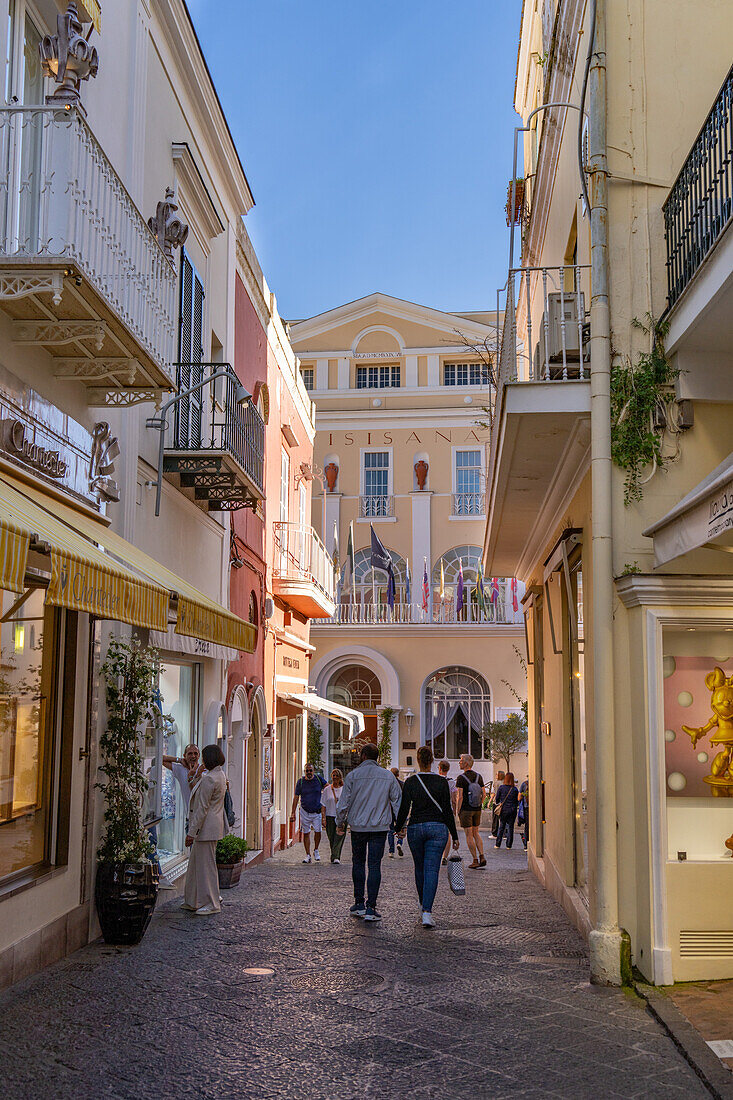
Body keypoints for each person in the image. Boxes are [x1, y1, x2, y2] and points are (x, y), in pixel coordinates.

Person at [394, 745, 459, 929]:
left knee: (419, 868)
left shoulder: (411, 782)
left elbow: (404, 808)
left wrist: (398, 828)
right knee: (431, 870)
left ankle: (423, 904)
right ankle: (427, 913)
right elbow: (447, 811)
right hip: (438, 828)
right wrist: (454, 835)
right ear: (432, 761)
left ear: (418, 760)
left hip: (415, 828)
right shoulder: (441, 782)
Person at [336, 743, 402, 922]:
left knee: (358, 863)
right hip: (379, 827)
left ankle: (359, 903)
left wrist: (340, 822)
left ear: (363, 756)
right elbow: (397, 802)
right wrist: (401, 825)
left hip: (358, 827)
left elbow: (343, 804)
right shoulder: (388, 776)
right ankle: (371, 907)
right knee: (374, 865)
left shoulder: (352, 776)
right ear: (377, 757)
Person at [182, 744, 227, 915]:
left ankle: (211, 903)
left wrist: (191, 833)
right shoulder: (218, 774)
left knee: (206, 867)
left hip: (205, 828)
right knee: (195, 865)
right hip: (211, 827)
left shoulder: (210, 778)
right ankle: (193, 899)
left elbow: (202, 808)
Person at [455, 753, 486, 869]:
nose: (459, 762)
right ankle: (482, 856)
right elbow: (484, 794)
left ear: (466, 763)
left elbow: (460, 796)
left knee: (468, 835)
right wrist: (479, 805)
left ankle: (475, 860)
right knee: (476, 833)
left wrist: (458, 811)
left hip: (466, 810)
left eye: (461, 760)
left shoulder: (461, 778)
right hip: (477, 809)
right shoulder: (479, 777)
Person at [290, 762, 325, 863]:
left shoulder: (319, 779)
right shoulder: (300, 782)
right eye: (307, 771)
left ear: (314, 771)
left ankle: (316, 850)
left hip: (316, 811)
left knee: (318, 831)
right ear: (304, 771)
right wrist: (293, 812)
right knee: (306, 833)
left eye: (310, 770)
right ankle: (308, 855)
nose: (309, 772)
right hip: (305, 811)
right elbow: (296, 797)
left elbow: (328, 787)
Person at [163, 743, 204, 826]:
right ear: (184, 755)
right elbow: (161, 758)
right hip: (190, 819)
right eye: (190, 754)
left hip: (203, 818)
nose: (193, 756)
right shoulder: (180, 769)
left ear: (199, 755)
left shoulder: (204, 770)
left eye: (195, 753)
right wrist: (179, 760)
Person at [321, 768, 346, 864]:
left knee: (339, 837)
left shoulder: (344, 789)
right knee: (331, 837)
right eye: (333, 775)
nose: (335, 777)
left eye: (336, 775)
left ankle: (336, 857)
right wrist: (323, 818)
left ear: (340, 777)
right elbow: (323, 805)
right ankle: (334, 855)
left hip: (341, 817)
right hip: (330, 816)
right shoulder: (327, 790)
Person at [438, 759, 457, 865]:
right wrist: (454, 811)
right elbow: (454, 799)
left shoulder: (435, 781)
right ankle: (445, 856)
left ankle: (438, 854)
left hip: (437, 811)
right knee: (448, 834)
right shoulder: (451, 782)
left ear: (440, 768)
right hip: (447, 810)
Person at [495, 771, 520, 849]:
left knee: (501, 826)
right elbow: (517, 801)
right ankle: (509, 845)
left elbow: (497, 799)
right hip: (512, 810)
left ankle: (498, 844)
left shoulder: (501, 788)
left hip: (504, 810)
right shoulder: (515, 789)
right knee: (511, 827)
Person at [387, 767, 404, 858]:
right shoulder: (402, 784)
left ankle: (391, 851)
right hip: (400, 810)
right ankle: (399, 843)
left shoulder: (387, 785)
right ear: (398, 774)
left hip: (389, 809)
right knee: (400, 828)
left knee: (390, 830)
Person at [491, 770, 505, 837]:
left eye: (497, 774)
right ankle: (504, 834)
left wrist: (490, 801)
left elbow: (494, 793)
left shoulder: (497, 783)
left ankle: (494, 833)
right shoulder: (505, 783)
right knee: (503, 819)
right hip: (503, 803)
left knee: (495, 818)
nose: (496, 776)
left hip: (496, 803)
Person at [519, 777, 529, 850]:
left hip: (526, 807)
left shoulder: (524, 784)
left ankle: (526, 844)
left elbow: (519, 797)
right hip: (535, 807)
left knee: (527, 826)